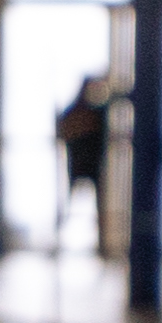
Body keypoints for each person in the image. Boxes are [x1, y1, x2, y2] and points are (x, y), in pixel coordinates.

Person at [55, 78, 114, 256]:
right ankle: (58, 239)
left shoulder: (100, 113)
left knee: (99, 207)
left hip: (95, 165)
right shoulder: (77, 111)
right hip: (79, 163)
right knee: (69, 204)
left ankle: (102, 245)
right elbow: (64, 131)